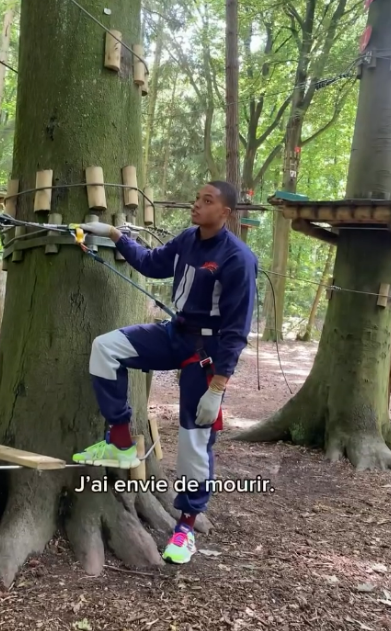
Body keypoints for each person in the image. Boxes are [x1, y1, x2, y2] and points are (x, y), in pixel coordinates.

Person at [72, 181, 258, 564]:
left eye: (207, 201)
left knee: (194, 440)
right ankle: (120, 441)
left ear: (225, 213)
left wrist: (217, 388)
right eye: (197, 198)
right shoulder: (188, 238)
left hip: (207, 355)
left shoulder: (238, 259)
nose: (197, 205)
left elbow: (237, 331)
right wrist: (115, 235)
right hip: (175, 335)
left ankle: (185, 528)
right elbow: (151, 262)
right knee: (106, 347)